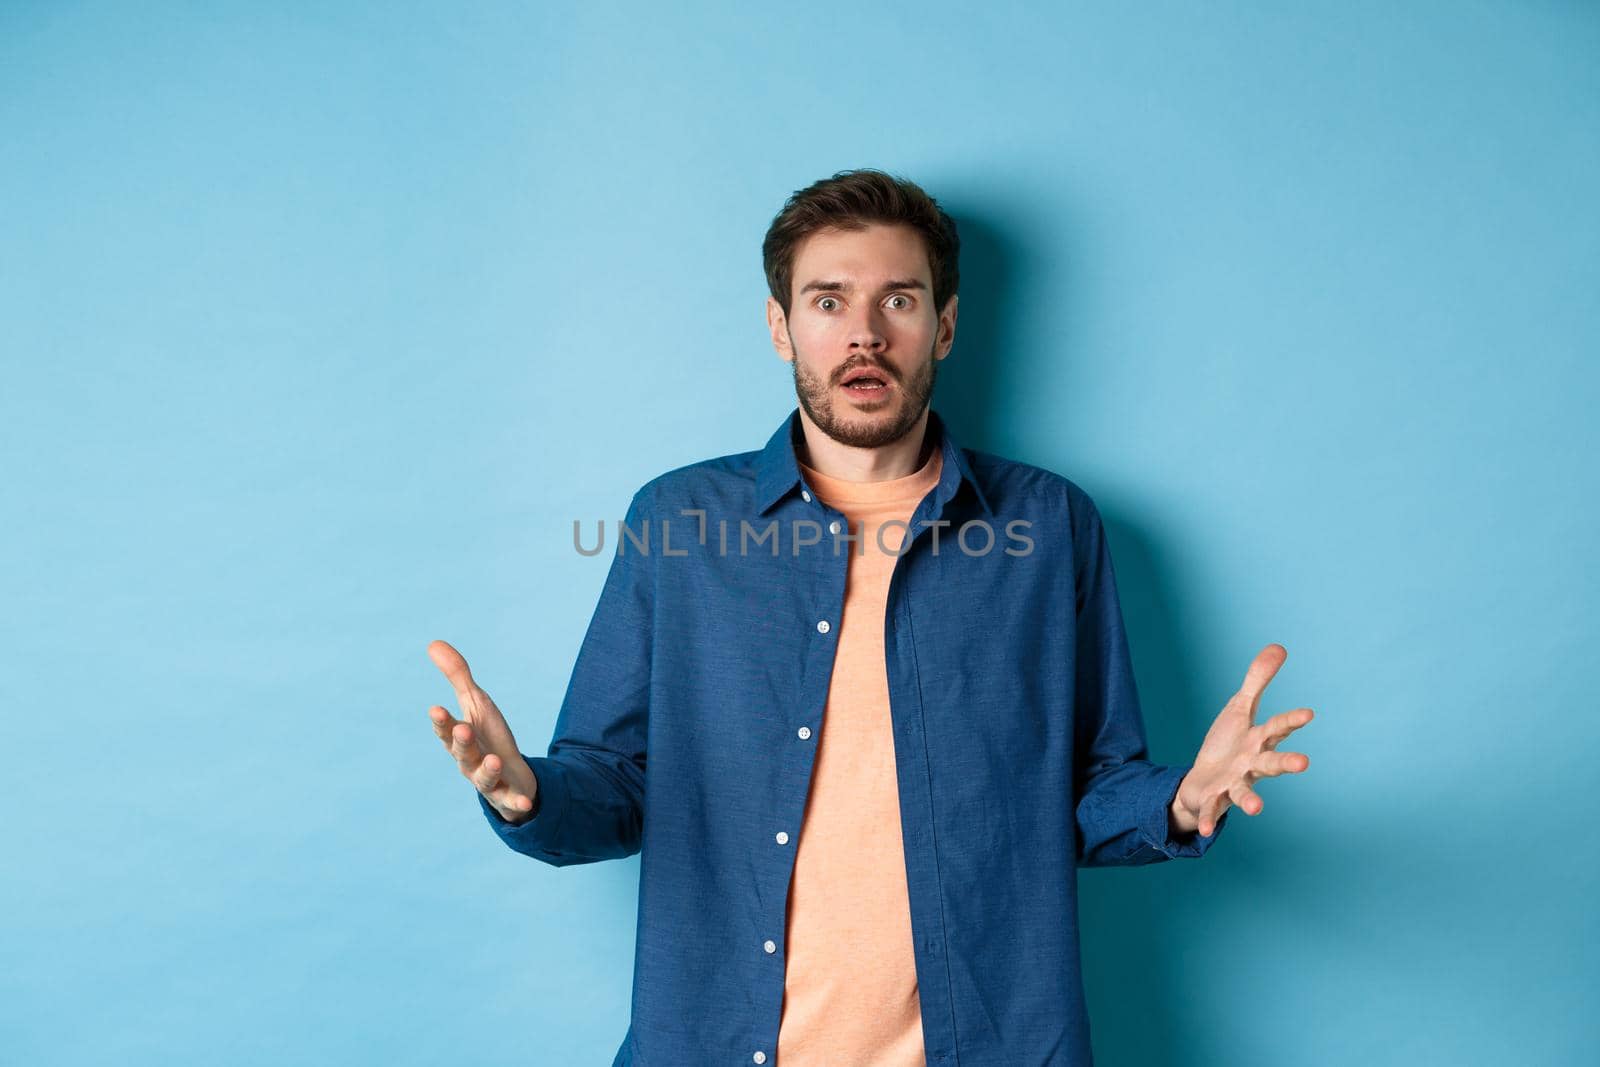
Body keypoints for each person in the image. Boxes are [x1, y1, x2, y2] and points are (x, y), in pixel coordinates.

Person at [425, 168, 1315, 1066]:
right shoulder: (679, 523)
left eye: (899, 298)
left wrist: (1184, 800)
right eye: (827, 300)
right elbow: (615, 785)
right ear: (781, 328)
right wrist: (527, 791)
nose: (864, 334)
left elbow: (1080, 794)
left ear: (947, 324)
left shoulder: (1049, 527)